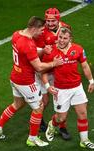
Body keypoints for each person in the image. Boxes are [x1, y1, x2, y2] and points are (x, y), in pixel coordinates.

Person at [0, 16, 63, 147]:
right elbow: (39, 66)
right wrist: (54, 63)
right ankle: (32, 139)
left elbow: (28, 52)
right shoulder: (28, 44)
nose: (42, 32)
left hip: (15, 77)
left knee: (17, 103)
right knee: (39, 107)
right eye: (41, 30)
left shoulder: (16, 34)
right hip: (26, 81)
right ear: (34, 28)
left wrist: (43, 50)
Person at [42, 27, 94, 149]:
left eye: (64, 38)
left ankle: (84, 140)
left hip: (77, 87)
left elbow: (84, 66)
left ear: (70, 39)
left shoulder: (78, 49)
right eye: (60, 37)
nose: (61, 40)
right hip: (61, 90)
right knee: (61, 117)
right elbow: (44, 71)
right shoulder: (51, 52)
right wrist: (47, 86)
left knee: (83, 113)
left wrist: (91, 81)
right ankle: (52, 124)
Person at [34, 8, 72, 140]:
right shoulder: (41, 32)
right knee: (44, 101)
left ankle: (62, 127)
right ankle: (38, 121)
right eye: (48, 20)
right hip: (44, 69)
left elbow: (69, 45)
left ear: (58, 19)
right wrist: (45, 50)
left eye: (52, 20)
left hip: (58, 70)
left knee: (61, 98)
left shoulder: (66, 28)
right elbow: (36, 53)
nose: (49, 23)